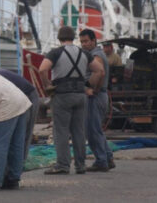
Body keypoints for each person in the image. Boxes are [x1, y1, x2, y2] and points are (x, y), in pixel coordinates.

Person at [39, 26, 104, 175]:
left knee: (61, 131)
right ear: (73, 37)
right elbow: (100, 70)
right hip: (80, 95)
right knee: (79, 131)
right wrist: (89, 85)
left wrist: (47, 85)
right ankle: (80, 166)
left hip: (62, 95)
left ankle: (63, 165)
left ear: (59, 38)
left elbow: (42, 69)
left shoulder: (55, 53)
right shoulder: (84, 53)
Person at [79, 29, 116, 172]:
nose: (83, 44)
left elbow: (100, 72)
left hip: (95, 96)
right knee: (96, 129)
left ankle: (101, 161)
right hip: (99, 95)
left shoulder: (96, 55)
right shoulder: (92, 54)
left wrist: (92, 89)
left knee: (92, 131)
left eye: (86, 41)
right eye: (81, 41)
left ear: (94, 40)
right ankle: (107, 157)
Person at [0, 68, 39, 160]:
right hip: (18, 96)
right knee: (18, 134)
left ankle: (21, 161)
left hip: (28, 95)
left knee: (24, 132)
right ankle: (15, 162)